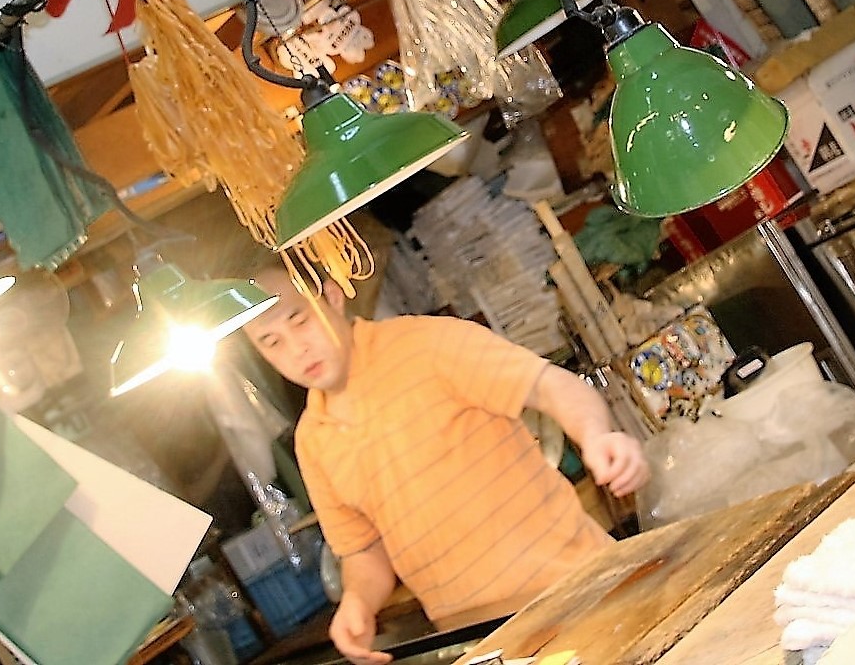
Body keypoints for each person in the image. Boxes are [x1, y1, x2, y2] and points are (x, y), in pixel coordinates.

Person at [242, 265, 649, 665]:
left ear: (332, 297)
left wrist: (596, 436)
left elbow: (549, 386)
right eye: (272, 342)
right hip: (486, 644)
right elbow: (363, 550)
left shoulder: (424, 344)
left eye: (300, 320)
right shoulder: (313, 441)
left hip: (582, 594)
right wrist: (358, 602)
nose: (296, 350)